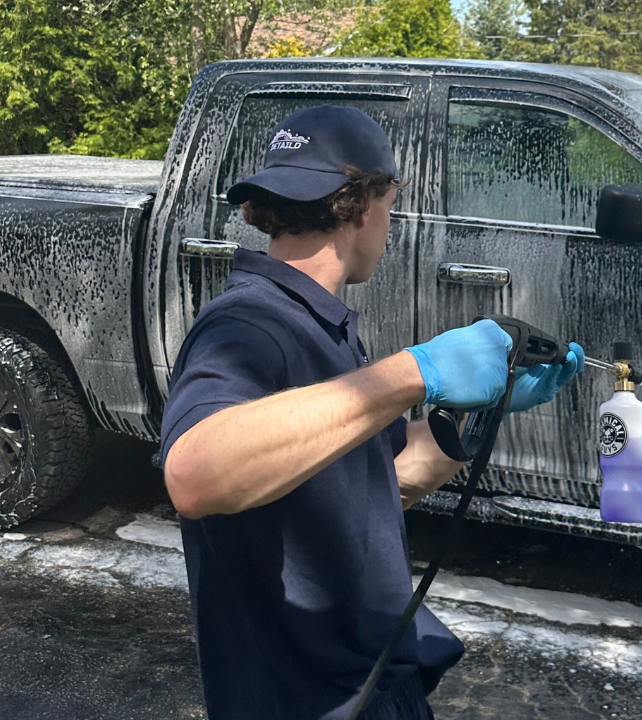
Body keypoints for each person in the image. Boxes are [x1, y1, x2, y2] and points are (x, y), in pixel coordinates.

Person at [160, 105, 585, 720]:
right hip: (307, 701)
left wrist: (482, 413)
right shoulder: (248, 322)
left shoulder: (320, 325)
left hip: (371, 684)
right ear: (363, 205)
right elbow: (194, 474)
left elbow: (379, 483)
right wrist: (415, 372)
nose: (389, 223)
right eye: (390, 205)